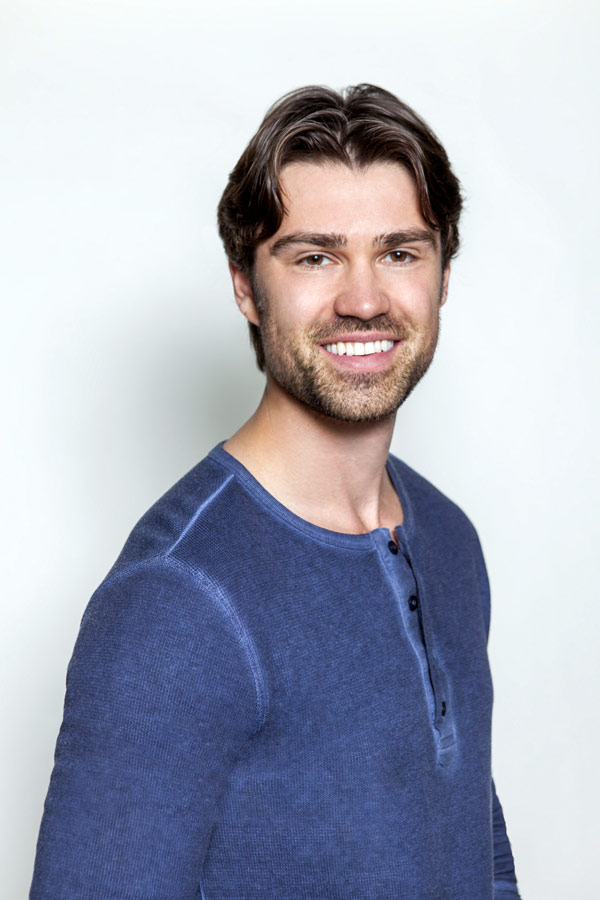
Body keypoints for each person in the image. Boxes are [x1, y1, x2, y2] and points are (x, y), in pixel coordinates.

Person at [30, 84, 521, 899]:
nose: (364, 300)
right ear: (245, 287)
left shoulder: (448, 537)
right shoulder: (176, 600)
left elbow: (475, 848)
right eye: (315, 256)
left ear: (442, 277)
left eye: (400, 253)